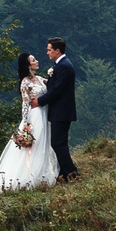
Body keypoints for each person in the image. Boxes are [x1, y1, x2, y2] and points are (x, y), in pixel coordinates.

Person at [0, 51, 60, 193]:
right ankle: (30, 176)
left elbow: (53, 88)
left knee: (44, 143)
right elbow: (25, 103)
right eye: (33, 60)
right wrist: (25, 122)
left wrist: (54, 73)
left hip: (44, 113)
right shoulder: (25, 82)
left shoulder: (40, 79)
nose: (37, 61)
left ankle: (42, 172)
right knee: (35, 144)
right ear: (28, 65)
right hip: (35, 115)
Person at [41, 37, 81, 180]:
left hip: (62, 111)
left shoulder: (63, 65)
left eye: (49, 50)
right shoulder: (61, 65)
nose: (47, 53)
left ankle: (71, 172)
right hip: (61, 111)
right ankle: (64, 173)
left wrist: (39, 101)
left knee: (57, 143)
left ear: (57, 51)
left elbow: (57, 90)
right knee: (60, 142)